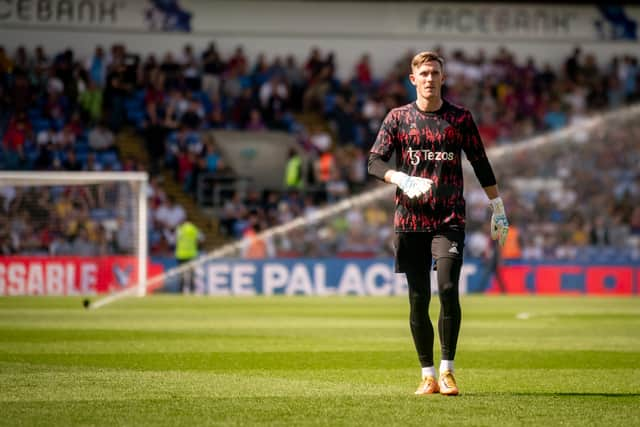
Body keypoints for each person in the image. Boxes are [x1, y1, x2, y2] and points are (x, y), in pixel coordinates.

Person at [367, 51, 509, 396]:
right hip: (410, 221)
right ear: (413, 79)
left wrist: (498, 206)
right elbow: (373, 162)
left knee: (447, 289)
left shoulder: (460, 118)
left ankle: (448, 371)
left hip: (449, 218)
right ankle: (427, 374)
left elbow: (480, 161)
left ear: (443, 78)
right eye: (424, 73)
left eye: (435, 73)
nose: (430, 78)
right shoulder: (398, 118)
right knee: (418, 299)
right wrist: (399, 177)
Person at [174, 219, 204, 294]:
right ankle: (192, 290)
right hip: (191, 254)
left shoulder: (179, 229)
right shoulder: (193, 228)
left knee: (181, 274)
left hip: (180, 254)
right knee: (192, 274)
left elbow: (174, 240)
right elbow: (201, 238)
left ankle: (181, 291)